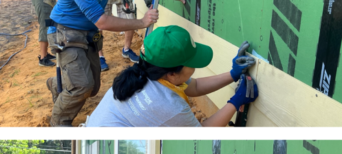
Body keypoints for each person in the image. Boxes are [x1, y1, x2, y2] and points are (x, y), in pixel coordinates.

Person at [87, 25, 258, 127]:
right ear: (172, 73)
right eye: (192, 63)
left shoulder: (147, 73)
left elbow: (195, 86)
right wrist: (236, 101)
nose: (195, 66)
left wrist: (233, 74)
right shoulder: (169, 106)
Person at [46, 0, 158, 126]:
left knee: (93, 88)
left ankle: (56, 83)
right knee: (82, 86)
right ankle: (58, 122)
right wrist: (142, 22)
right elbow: (102, 21)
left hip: (87, 33)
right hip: (65, 32)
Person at [33, 0, 56, 66]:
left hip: (47, 2)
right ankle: (43, 58)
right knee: (45, 26)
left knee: (48, 25)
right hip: (44, 2)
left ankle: (45, 54)